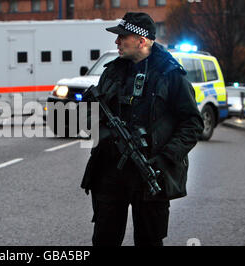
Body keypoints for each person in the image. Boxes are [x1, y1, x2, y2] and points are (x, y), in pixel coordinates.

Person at [80, 12, 204, 246]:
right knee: (104, 239)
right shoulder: (113, 71)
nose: (117, 42)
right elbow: (91, 110)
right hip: (110, 172)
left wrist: (167, 157)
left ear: (142, 40)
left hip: (150, 171)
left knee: (149, 240)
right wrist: (103, 132)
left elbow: (192, 123)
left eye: (122, 37)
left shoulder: (171, 76)